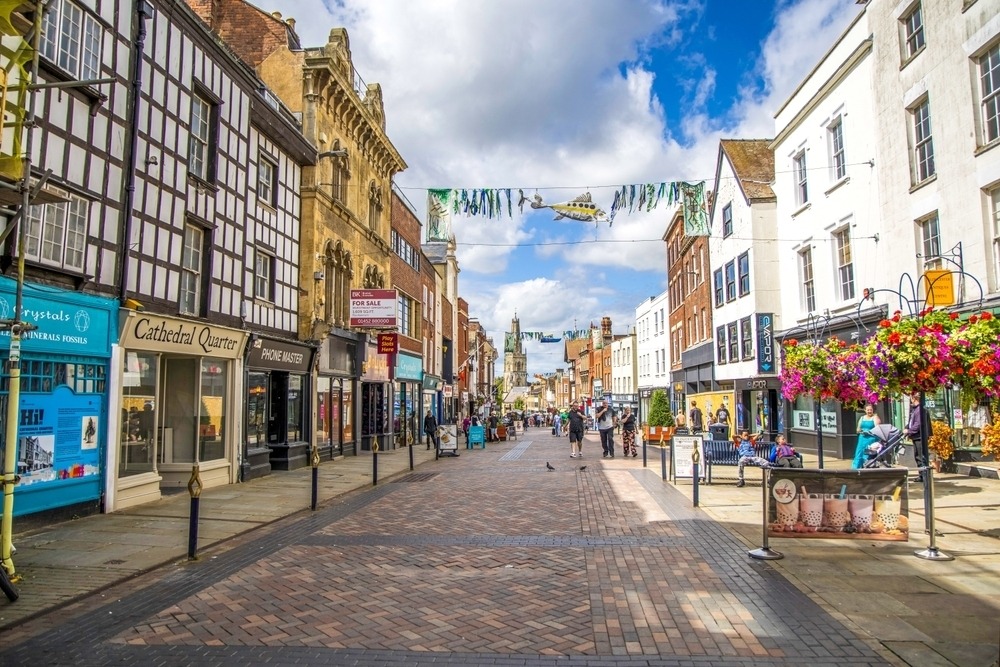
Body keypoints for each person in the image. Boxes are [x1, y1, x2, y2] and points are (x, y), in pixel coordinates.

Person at [903, 393, 926, 481]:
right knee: (917, 456)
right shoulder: (914, 409)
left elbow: (918, 424)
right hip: (915, 436)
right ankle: (921, 475)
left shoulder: (919, 409)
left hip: (919, 437)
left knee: (920, 456)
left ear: (914, 398)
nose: (910, 400)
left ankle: (923, 476)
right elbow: (911, 422)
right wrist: (906, 427)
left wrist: (909, 431)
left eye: (911, 398)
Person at [852, 403, 882, 468]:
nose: (869, 411)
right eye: (868, 410)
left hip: (871, 439)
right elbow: (858, 429)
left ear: (873, 410)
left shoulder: (875, 417)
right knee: (859, 453)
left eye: (870, 410)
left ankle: (866, 466)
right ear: (865, 410)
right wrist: (860, 431)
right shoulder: (862, 418)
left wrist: (869, 432)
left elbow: (878, 429)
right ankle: (856, 468)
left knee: (867, 454)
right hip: (862, 438)